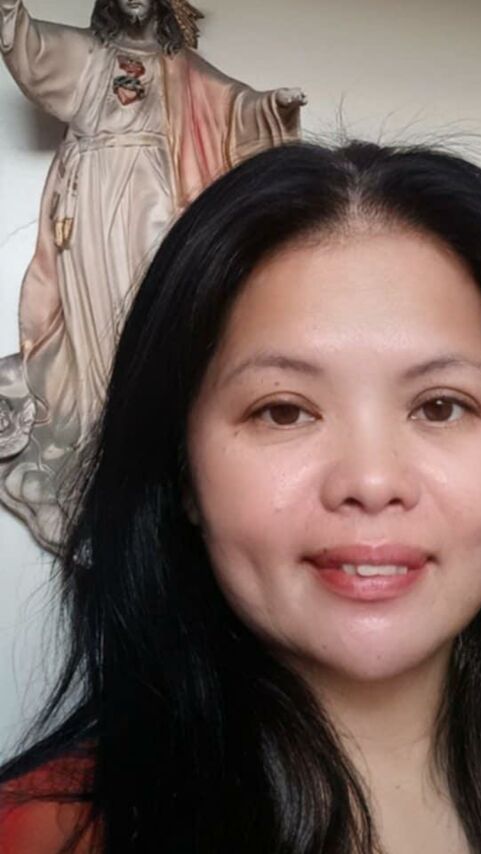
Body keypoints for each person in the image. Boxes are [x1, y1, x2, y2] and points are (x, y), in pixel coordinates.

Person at [0, 139, 481, 853]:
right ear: (182, 471)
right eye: (283, 411)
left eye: (440, 406)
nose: (371, 481)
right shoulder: (41, 836)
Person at [0, 0, 305, 550]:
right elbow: (33, 49)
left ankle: (148, 426)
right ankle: (99, 417)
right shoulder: (89, 52)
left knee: (154, 300)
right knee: (96, 309)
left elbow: (232, 106)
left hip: (157, 196)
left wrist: (271, 108)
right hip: (94, 194)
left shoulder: (179, 65)